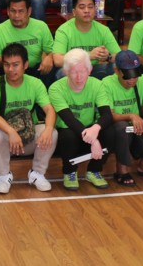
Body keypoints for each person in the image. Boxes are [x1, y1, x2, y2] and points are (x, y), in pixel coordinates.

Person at [0, 44, 58, 194]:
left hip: (28, 136)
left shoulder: (35, 83)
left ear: (26, 65)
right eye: (7, 65)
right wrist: (11, 132)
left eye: (16, 65)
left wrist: (49, 129)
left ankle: (37, 174)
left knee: (52, 132)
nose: (11, 69)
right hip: (5, 141)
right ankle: (3, 176)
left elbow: (50, 110)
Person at [99, 50, 143, 183]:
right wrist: (131, 116)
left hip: (138, 125)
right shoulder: (106, 84)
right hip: (116, 125)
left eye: (135, 75)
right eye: (128, 76)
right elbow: (108, 115)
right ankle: (122, 168)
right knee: (122, 126)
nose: (132, 80)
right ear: (117, 71)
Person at [49, 48, 113, 189]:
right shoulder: (55, 89)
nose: (79, 77)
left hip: (89, 128)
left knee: (110, 131)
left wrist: (95, 129)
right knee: (69, 136)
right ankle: (69, 172)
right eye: (74, 72)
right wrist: (93, 140)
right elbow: (69, 119)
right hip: (68, 130)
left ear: (89, 70)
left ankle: (94, 170)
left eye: (82, 71)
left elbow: (107, 115)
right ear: (66, 72)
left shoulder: (97, 85)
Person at [52, 0, 120, 79]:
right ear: (74, 12)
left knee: (116, 66)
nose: (87, 11)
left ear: (95, 9)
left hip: (94, 69)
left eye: (90, 7)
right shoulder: (64, 30)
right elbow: (58, 60)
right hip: (73, 70)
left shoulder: (103, 29)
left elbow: (119, 56)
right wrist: (88, 55)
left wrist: (108, 57)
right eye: (82, 7)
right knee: (62, 73)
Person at [0, 0, 56, 87]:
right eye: (13, 11)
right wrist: (16, 64)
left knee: (52, 67)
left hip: (35, 69)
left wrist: (49, 57)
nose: (16, 15)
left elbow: (52, 51)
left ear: (29, 11)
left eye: (21, 11)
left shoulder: (41, 26)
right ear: (8, 11)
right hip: (10, 70)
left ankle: (44, 95)